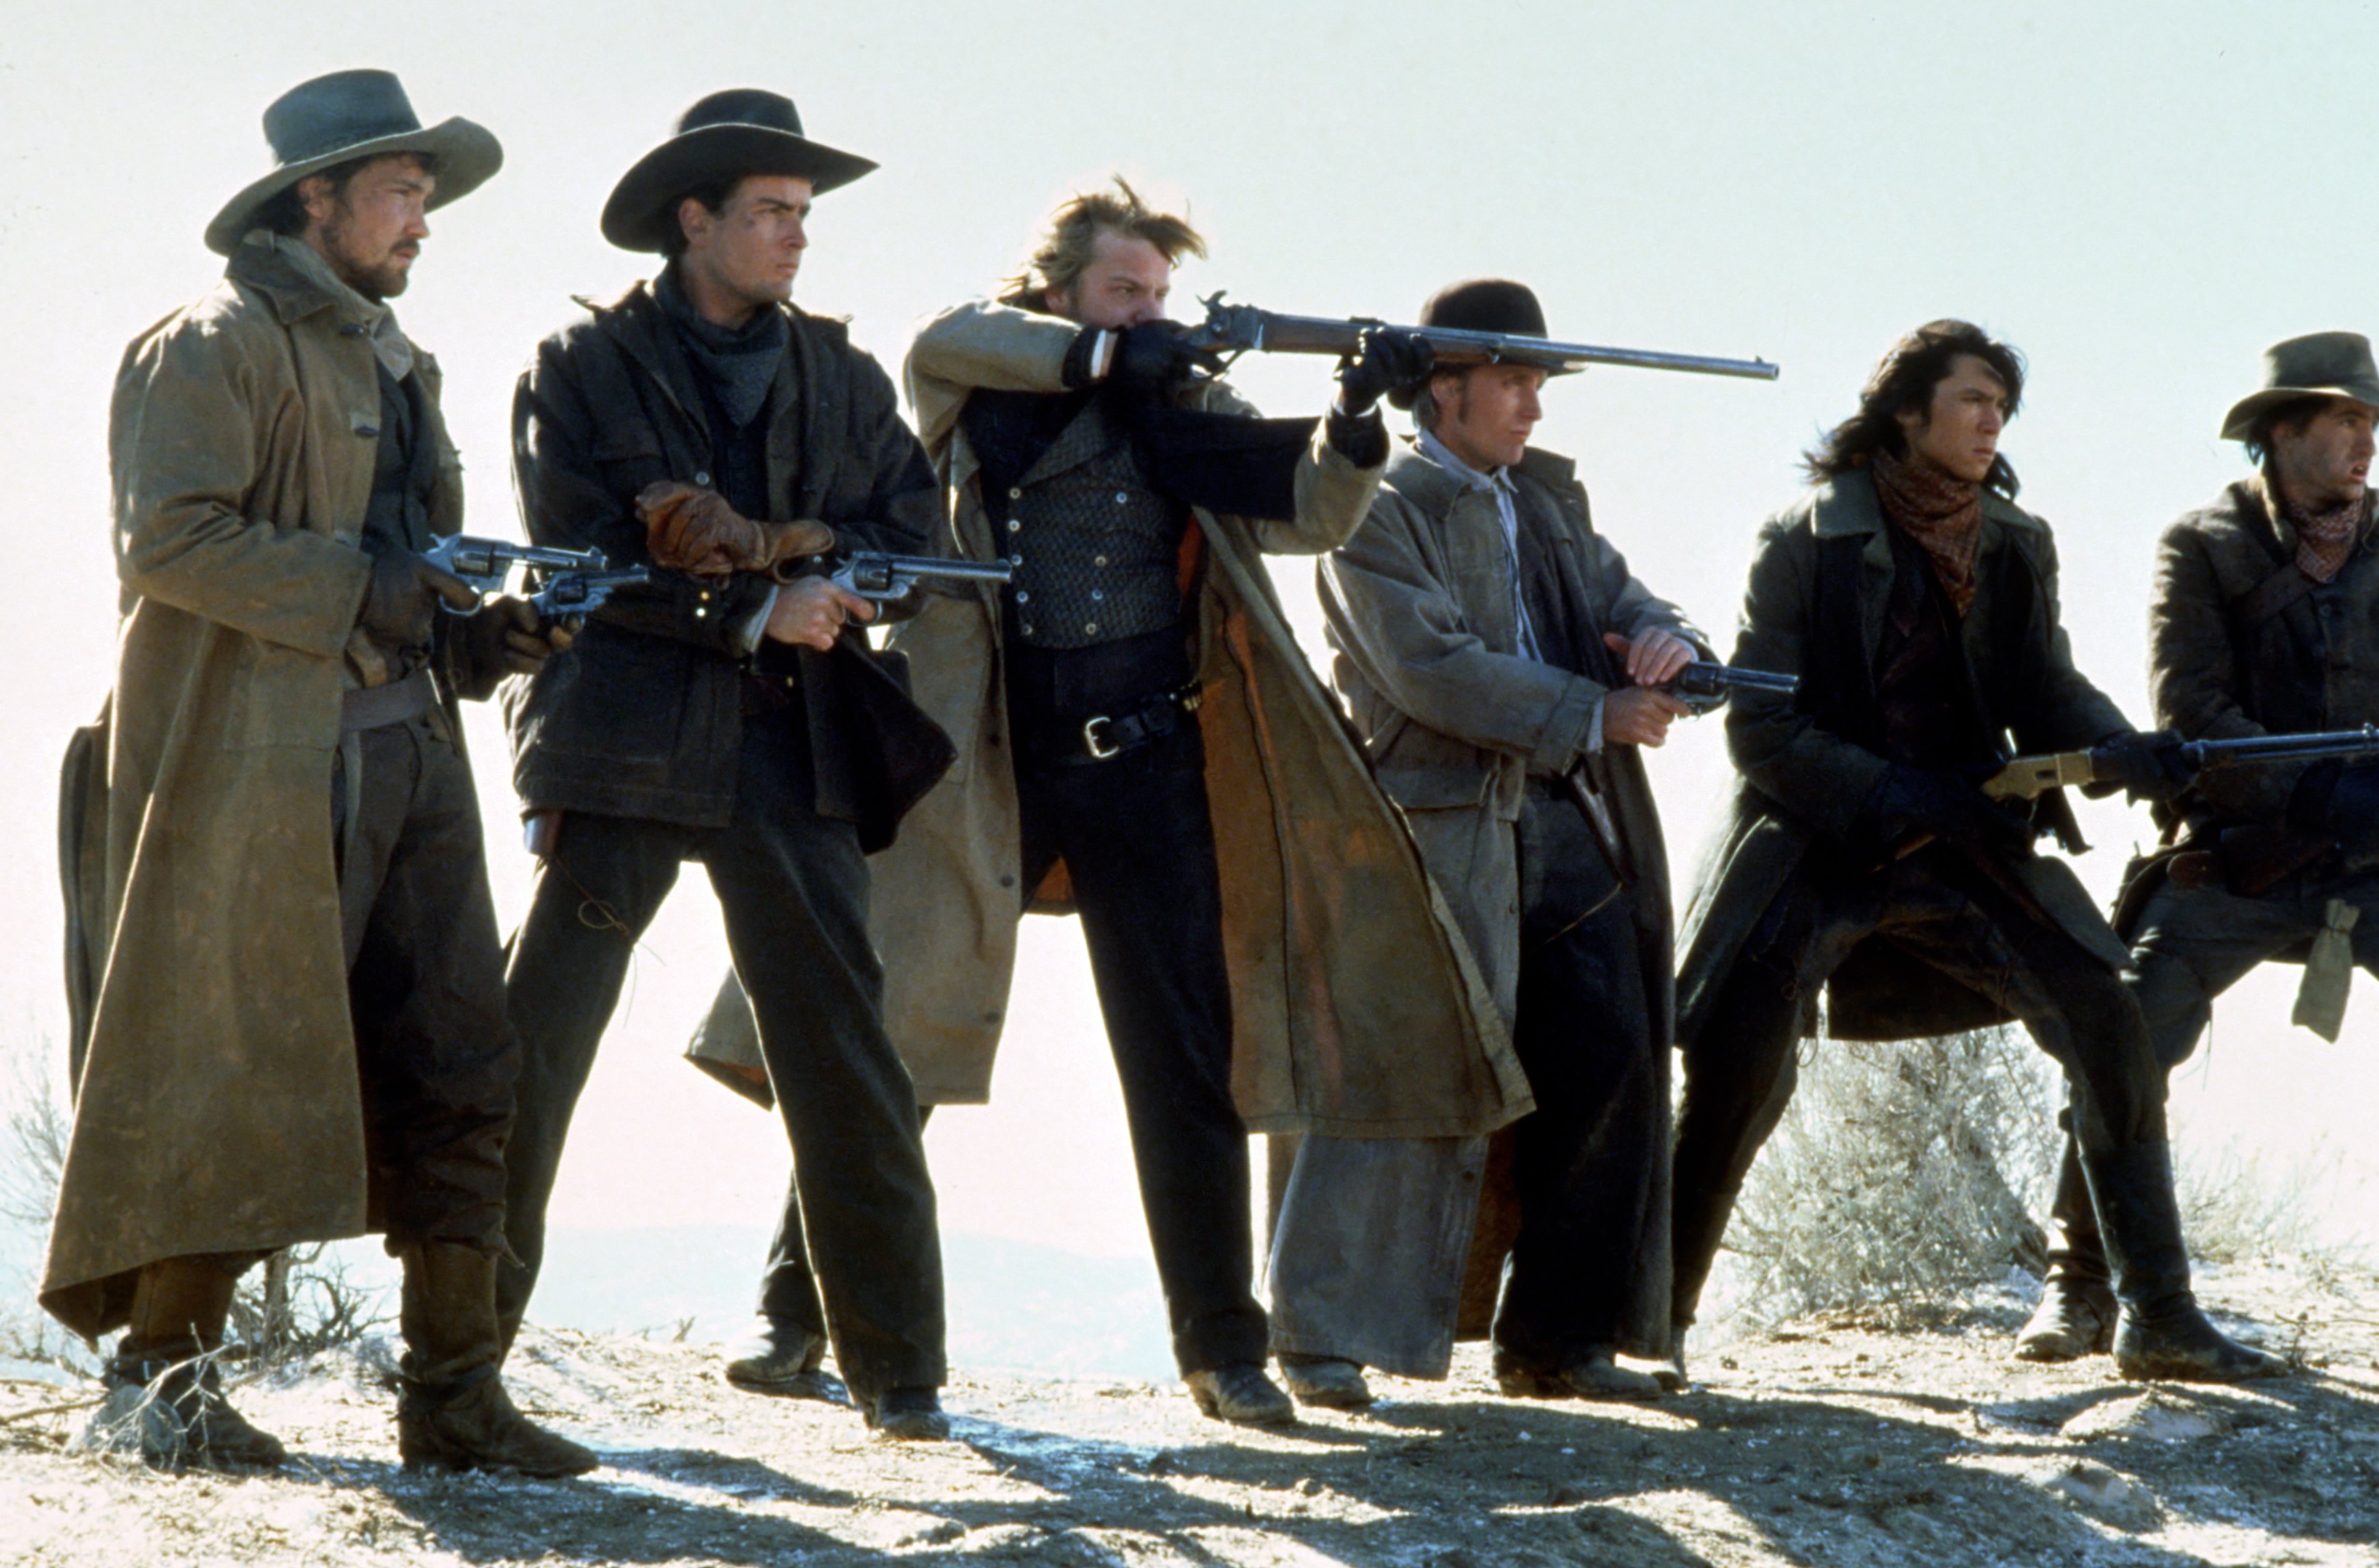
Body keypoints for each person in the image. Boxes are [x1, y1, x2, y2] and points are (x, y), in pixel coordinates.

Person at [683, 179, 1525, 1427]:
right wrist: (1111, 350)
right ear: (1063, 290)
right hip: (980, 761)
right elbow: (947, 334)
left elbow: (1306, 505)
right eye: (1122, 290)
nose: (1146, 313)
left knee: (1183, 1062)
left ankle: (1223, 1352)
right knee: (897, 1035)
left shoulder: (1185, 407)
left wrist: (1355, 413)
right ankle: (799, 1317)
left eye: (1158, 296)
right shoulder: (983, 377)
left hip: (1149, 764)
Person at [46, 70, 592, 1473]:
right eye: (401, 193)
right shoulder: (209, 344)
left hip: (409, 744)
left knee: (466, 1052)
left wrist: (483, 631)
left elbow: (405, 573)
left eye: (424, 194)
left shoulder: (398, 361)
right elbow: (168, 542)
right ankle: (163, 1379)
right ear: (318, 198)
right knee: (236, 1058)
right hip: (256, 765)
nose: (424, 222)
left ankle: (456, 1396)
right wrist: (387, 587)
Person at [1672, 320, 2286, 1385]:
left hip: (1968, 839)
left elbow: (2039, 687)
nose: (1992, 418)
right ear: (1906, 412)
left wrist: (2119, 748)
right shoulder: (1800, 539)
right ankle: (1649, 1324)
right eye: (1972, 398)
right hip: (1815, 841)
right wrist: (1901, 794)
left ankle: (2161, 1317)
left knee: (2108, 1016)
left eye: (2003, 402)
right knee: (1737, 1072)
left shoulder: (2013, 540)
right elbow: (1762, 734)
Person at [493, 90, 959, 1441]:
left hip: (790, 739)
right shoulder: (583, 361)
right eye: (769, 211)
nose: (795, 236)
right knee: (539, 1044)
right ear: (692, 220)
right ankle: (460, 1356)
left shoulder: (844, 376)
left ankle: (898, 1371)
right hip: (623, 733)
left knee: (843, 1048)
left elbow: (909, 546)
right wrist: (760, 599)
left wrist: (845, 588)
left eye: (805, 214)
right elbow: (583, 556)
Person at [2016, 333, 2379, 1361]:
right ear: (2281, 432)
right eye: (2347, 419)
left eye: (2373, 423)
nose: (2367, 442)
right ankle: (2086, 1286)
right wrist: (2312, 783)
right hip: (2244, 849)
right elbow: (2189, 706)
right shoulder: (2205, 545)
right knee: (2127, 1033)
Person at [1268, 278, 1696, 1406]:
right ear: (1441, 393)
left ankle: (1557, 1342)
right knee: (1398, 1074)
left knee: (1606, 1054)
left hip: (1563, 819)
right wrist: (1591, 711)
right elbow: (1428, 668)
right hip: (1434, 828)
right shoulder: (1375, 506)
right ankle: (1317, 1336)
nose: (1533, 408)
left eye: (1537, 383)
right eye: (1513, 382)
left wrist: (1665, 643)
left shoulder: (1543, 504)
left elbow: (1634, 601)